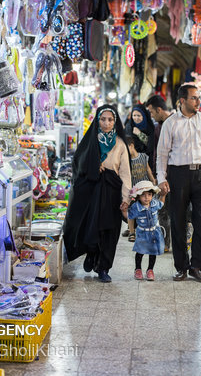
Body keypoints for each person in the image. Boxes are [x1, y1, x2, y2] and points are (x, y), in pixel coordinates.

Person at [156, 84, 201, 283]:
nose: (198, 101)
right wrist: (162, 179)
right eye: (194, 98)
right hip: (178, 174)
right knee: (177, 221)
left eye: (198, 98)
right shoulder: (170, 123)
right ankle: (181, 267)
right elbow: (162, 154)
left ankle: (197, 265)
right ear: (182, 101)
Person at [62, 105, 132, 283]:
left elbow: (125, 173)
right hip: (91, 191)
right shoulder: (89, 141)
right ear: (97, 121)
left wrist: (126, 198)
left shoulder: (120, 144)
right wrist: (92, 166)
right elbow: (78, 162)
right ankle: (91, 254)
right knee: (89, 226)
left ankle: (104, 267)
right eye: (103, 119)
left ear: (115, 122)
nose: (106, 123)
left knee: (109, 230)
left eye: (110, 120)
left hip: (112, 191)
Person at [145, 95, 173, 252]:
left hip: (175, 174)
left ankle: (173, 242)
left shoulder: (175, 123)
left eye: (151, 112)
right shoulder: (157, 128)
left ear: (159, 109)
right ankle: (164, 243)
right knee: (162, 209)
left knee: (173, 210)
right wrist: (157, 175)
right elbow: (157, 153)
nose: (151, 116)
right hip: (162, 175)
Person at [125, 180, 166, 281]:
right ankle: (138, 269)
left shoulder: (154, 203)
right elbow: (129, 216)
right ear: (138, 196)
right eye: (143, 195)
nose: (147, 197)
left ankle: (150, 270)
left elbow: (161, 203)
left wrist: (163, 195)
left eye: (149, 194)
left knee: (153, 252)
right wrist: (124, 210)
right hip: (142, 233)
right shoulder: (136, 207)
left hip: (154, 232)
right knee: (140, 252)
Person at [125, 136, 156, 242]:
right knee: (132, 210)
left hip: (145, 188)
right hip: (134, 190)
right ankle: (131, 231)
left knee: (147, 209)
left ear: (131, 146)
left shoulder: (143, 156)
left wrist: (153, 180)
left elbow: (148, 169)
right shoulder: (126, 160)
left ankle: (144, 229)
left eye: (126, 148)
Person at [125, 103, 155, 173]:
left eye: (139, 115)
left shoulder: (150, 127)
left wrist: (139, 134)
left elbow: (151, 146)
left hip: (149, 162)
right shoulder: (129, 127)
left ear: (144, 116)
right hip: (133, 163)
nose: (136, 118)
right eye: (134, 115)